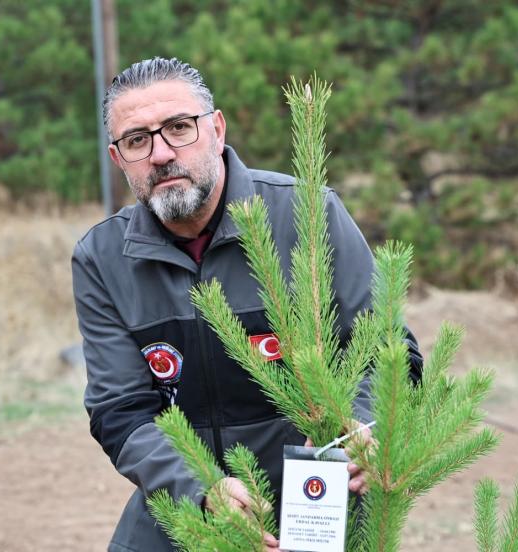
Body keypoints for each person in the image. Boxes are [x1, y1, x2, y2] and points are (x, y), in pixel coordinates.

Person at [72, 57, 423, 552]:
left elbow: (390, 350)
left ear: (216, 129)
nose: (160, 153)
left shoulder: (309, 213)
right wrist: (201, 489)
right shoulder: (101, 258)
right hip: (190, 505)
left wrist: (362, 427)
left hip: (318, 507)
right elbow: (119, 411)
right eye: (137, 140)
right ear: (118, 158)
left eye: (179, 127)